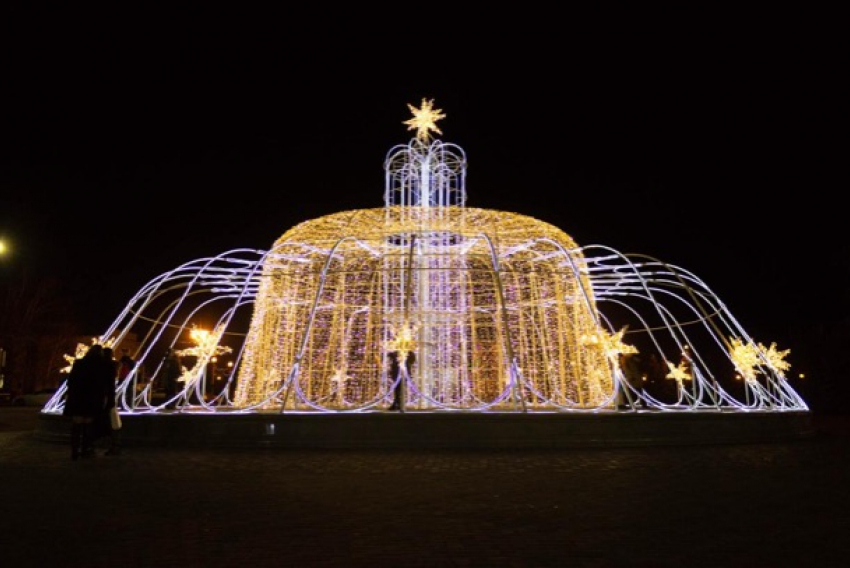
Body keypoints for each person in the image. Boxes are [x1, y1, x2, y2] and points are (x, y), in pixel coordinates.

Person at [62, 344, 107, 460]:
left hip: (77, 398)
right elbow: (102, 385)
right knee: (88, 425)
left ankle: (74, 450)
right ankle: (86, 449)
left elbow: (70, 381)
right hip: (91, 399)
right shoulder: (100, 366)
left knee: (76, 425)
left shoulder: (79, 363)